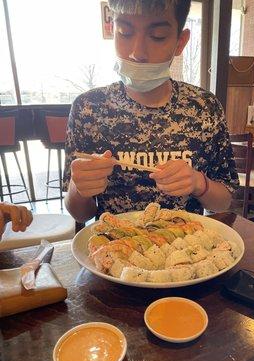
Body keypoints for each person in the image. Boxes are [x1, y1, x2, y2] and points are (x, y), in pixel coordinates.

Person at [63, 0, 239, 224]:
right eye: (124, 32)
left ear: (180, 41)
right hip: (113, 247)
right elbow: (79, 213)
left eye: (157, 36)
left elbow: (223, 202)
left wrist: (198, 183)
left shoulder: (204, 107)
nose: (137, 53)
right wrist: (80, 188)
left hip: (184, 250)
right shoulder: (88, 108)